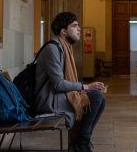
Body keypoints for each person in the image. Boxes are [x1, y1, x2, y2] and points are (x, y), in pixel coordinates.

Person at [35, 12, 106, 152]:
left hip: (57, 95)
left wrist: (84, 89)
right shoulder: (52, 48)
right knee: (95, 97)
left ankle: (82, 141)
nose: (79, 28)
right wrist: (85, 86)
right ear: (63, 31)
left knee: (100, 99)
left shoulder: (65, 47)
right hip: (47, 99)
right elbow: (58, 84)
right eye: (74, 26)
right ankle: (81, 143)